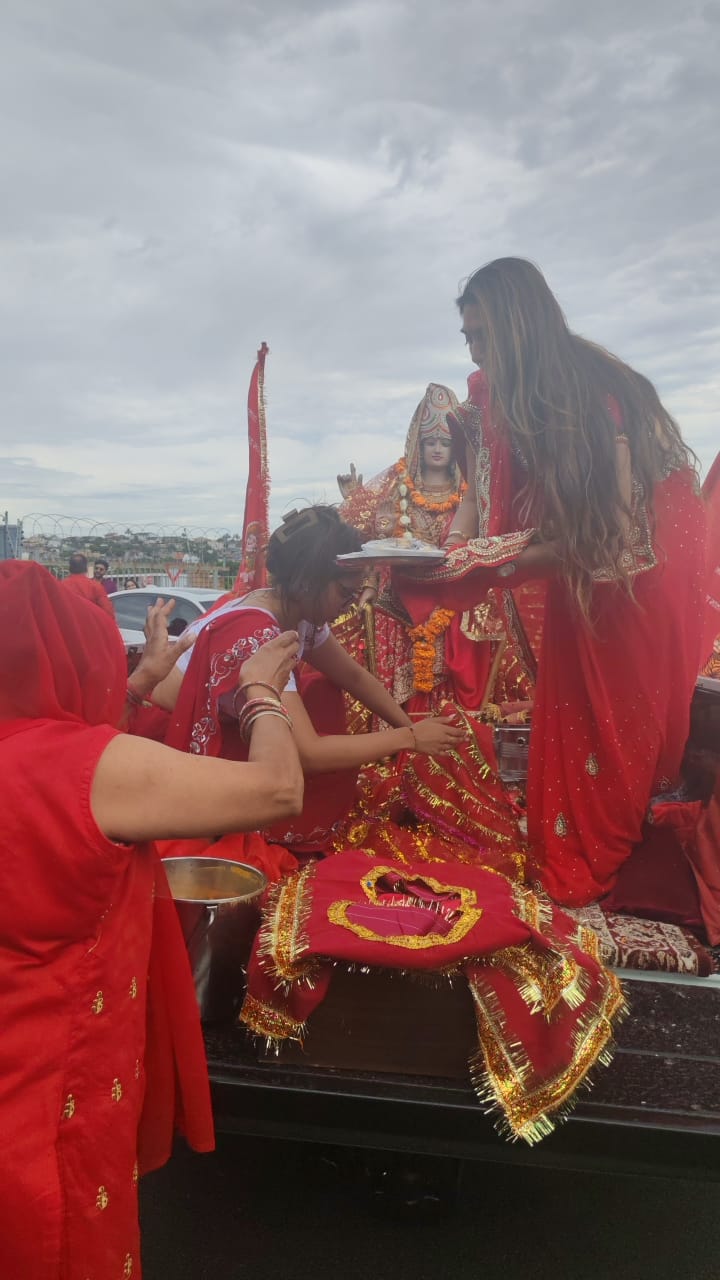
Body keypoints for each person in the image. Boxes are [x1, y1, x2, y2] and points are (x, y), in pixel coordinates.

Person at [0, 560, 304, 1280]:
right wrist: (262, 692)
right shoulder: (90, 765)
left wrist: (140, 684)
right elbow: (279, 790)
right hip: (53, 1087)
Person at [397, 257, 706, 907]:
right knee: (567, 712)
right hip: (585, 578)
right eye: (468, 338)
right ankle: (573, 847)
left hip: (633, 582)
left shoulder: (583, 399)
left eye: (483, 336)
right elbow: (492, 503)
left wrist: (484, 563)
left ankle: (598, 861)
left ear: (516, 327)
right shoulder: (514, 398)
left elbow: (604, 541)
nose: (474, 352)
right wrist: (459, 552)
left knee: (610, 729)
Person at [163, 505, 466, 852]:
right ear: (307, 582)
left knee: (325, 693)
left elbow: (354, 676)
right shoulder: (259, 635)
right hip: (168, 737)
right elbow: (308, 752)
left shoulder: (299, 612)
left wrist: (414, 730)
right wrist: (409, 738)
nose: (351, 604)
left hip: (224, 734)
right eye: (345, 593)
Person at [61, 551, 117, 618]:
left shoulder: (61, 586)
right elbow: (109, 613)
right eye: (96, 568)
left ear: (70, 568)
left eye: (101, 569)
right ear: (86, 568)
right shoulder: (96, 586)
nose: (98, 571)